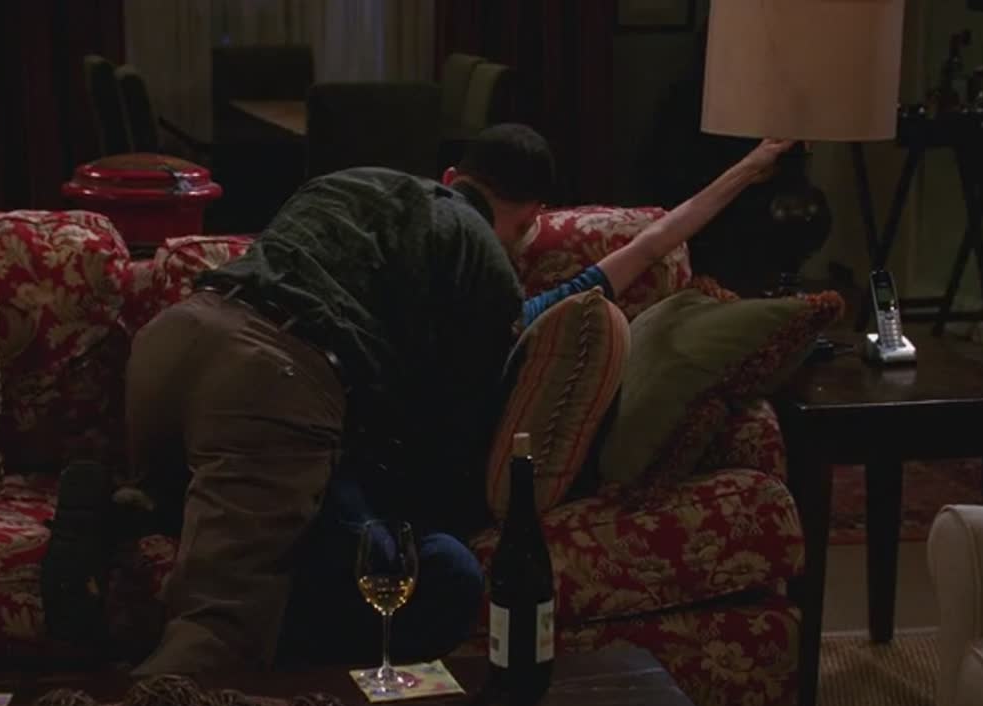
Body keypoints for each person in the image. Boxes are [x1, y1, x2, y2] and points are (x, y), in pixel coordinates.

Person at [42, 124, 792, 676]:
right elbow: (451, 434)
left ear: (454, 174)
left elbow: (633, 255)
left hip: (176, 343)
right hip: (270, 384)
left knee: (199, 495)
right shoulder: (482, 263)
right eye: (526, 233)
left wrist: (747, 168)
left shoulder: (350, 180)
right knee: (225, 628)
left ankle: (115, 504)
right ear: (527, 219)